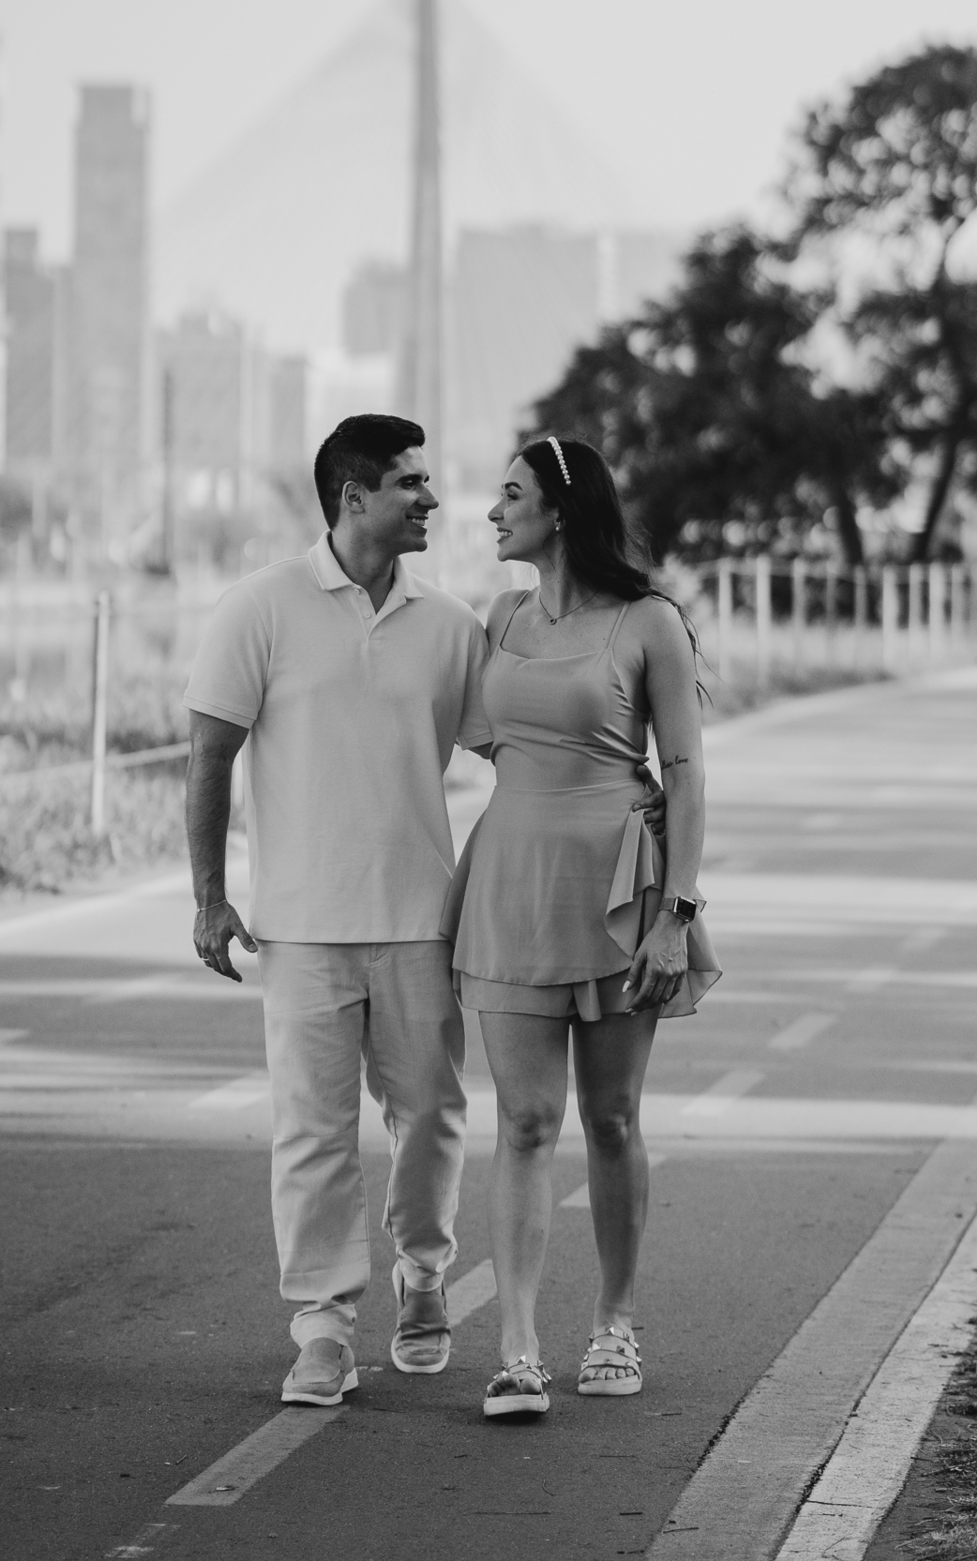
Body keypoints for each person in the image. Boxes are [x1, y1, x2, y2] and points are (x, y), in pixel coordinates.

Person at [182, 415, 491, 1407]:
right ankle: (321, 1329)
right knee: (312, 1133)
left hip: (421, 922)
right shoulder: (260, 607)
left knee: (432, 1118)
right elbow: (210, 754)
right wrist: (209, 898)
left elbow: (517, 755)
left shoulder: (451, 625)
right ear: (353, 498)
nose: (431, 498)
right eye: (410, 483)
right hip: (301, 926)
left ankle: (424, 1274)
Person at [442, 433, 719, 1418]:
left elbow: (685, 773)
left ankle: (614, 1323)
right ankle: (517, 1350)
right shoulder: (503, 615)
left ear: (560, 511)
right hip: (513, 884)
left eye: (511, 495)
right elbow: (489, 737)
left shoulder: (649, 623)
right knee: (521, 1121)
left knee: (609, 1119)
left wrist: (676, 913)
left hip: (619, 894)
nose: (493, 511)